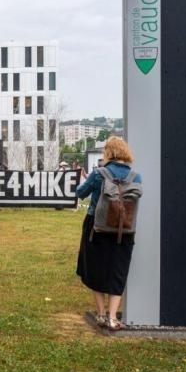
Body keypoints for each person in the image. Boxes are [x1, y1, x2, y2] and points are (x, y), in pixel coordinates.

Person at [75, 137, 142, 331]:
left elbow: (81, 192)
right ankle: (113, 317)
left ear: (108, 152)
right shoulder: (135, 177)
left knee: (95, 268)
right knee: (118, 270)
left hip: (97, 228)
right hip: (124, 229)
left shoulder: (99, 174)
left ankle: (102, 315)